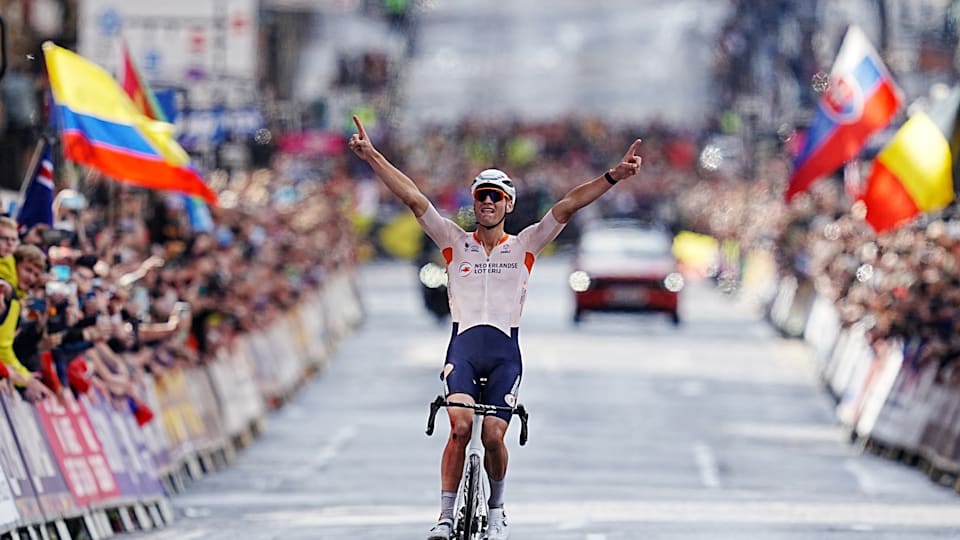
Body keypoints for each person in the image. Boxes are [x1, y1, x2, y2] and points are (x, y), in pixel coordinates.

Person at [348, 115, 642, 540]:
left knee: (492, 434)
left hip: (505, 353)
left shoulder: (525, 245)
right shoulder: (453, 241)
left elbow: (568, 204)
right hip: (463, 351)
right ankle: (446, 517)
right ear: (475, 203)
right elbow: (413, 198)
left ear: (508, 205)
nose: (487, 203)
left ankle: (498, 507)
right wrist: (373, 156)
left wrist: (615, 175)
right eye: (481, 197)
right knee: (460, 426)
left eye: (495, 197)